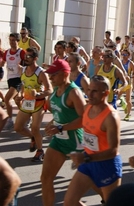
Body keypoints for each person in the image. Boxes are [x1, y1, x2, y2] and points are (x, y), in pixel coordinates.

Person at [64, 75, 122, 205]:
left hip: (107, 165)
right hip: (88, 161)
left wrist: (86, 158)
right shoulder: (88, 107)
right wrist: (61, 127)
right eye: (89, 89)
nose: (89, 94)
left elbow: (113, 150)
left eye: (95, 91)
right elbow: (80, 122)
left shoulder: (111, 117)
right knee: (69, 202)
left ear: (106, 93)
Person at [40, 59, 86, 206]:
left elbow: (84, 120)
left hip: (76, 142)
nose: (50, 78)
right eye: (50, 75)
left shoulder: (74, 93)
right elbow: (59, 114)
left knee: (91, 186)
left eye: (53, 75)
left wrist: (61, 128)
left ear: (64, 74)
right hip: (59, 140)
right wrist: (53, 123)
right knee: (46, 178)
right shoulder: (55, 91)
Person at [14, 47, 53, 162]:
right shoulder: (23, 70)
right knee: (18, 127)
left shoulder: (40, 73)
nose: (26, 58)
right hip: (27, 103)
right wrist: (20, 94)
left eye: (29, 56)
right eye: (25, 56)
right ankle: (33, 138)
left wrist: (38, 94)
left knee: (35, 128)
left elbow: (49, 90)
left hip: (38, 104)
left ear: (35, 58)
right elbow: (23, 84)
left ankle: (40, 151)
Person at [0, 33, 25, 131]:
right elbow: (3, 63)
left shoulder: (22, 52)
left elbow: (29, 64)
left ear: (18, 41)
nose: (11, 42)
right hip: (10, 79)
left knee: (7, 99)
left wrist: (22, 67)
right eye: (10, 40)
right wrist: (1, 64)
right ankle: (27, 116)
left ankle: (9, 120)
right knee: (17, 101)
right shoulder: (7, 52)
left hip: (19, 79)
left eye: (14, 40)